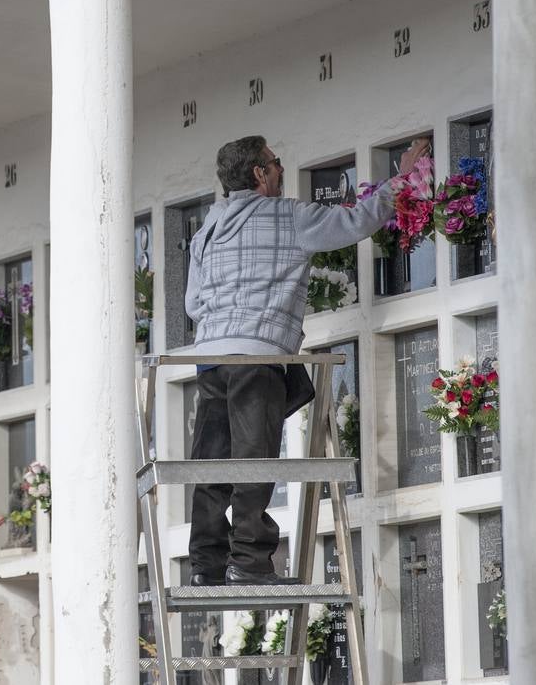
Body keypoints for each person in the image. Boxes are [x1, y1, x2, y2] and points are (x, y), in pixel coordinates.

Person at [184, 135, 429, 586]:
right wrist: (402, 178)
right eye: (276, 163)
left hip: (211, 359)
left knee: (212, 463)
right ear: (259, 173)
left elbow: (193, 303)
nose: (280, 170)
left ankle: (206, 565)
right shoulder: (289, 217)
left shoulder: (206, 231)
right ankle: (252, 562)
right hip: (257, 357)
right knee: (255, 462)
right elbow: (356, 221)